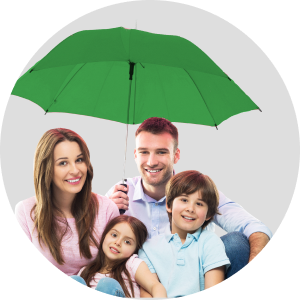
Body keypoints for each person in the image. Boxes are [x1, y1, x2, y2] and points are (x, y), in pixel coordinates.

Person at [105, 117, 273, 284]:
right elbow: (91, 245)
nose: (151, 161)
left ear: (176, 155)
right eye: (144, 152)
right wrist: (105, 212)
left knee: (236, 242)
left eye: (161, 152)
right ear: (135, 154)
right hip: (139, 284)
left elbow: (256, 228)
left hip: (194, 281)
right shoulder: (119, 193)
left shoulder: (199, 190)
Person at [14, 128, 120, 276]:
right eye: (63, 163)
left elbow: (117, 268)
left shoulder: (107, 209)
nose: (75, 170)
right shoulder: (25, 211)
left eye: (79, 160)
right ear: (46, 169)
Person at [138, 170, 231, 297]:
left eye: (199, 204)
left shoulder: (211, 242)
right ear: (169, 205)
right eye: (184, 200)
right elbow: (147, 293)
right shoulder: (148, 248)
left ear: (208, 214)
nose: (190, 209)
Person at [70, 215, 168, 298]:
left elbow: (155, 286)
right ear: (104, 235)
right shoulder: (86, 271)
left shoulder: (132, 264)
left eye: (127, 242)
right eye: (114, 235)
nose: (117, 242)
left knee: (107, 285)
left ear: (135, 249)